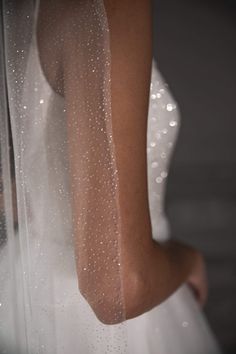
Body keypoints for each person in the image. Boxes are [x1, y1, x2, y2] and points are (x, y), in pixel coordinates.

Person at [0, 0, 222, 352]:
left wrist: (48, 210)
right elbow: (118, 287)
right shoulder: (114, 8)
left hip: (25, 286)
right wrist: (188, 259)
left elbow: (24, 188)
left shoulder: (17, 8)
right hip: (109, 329)